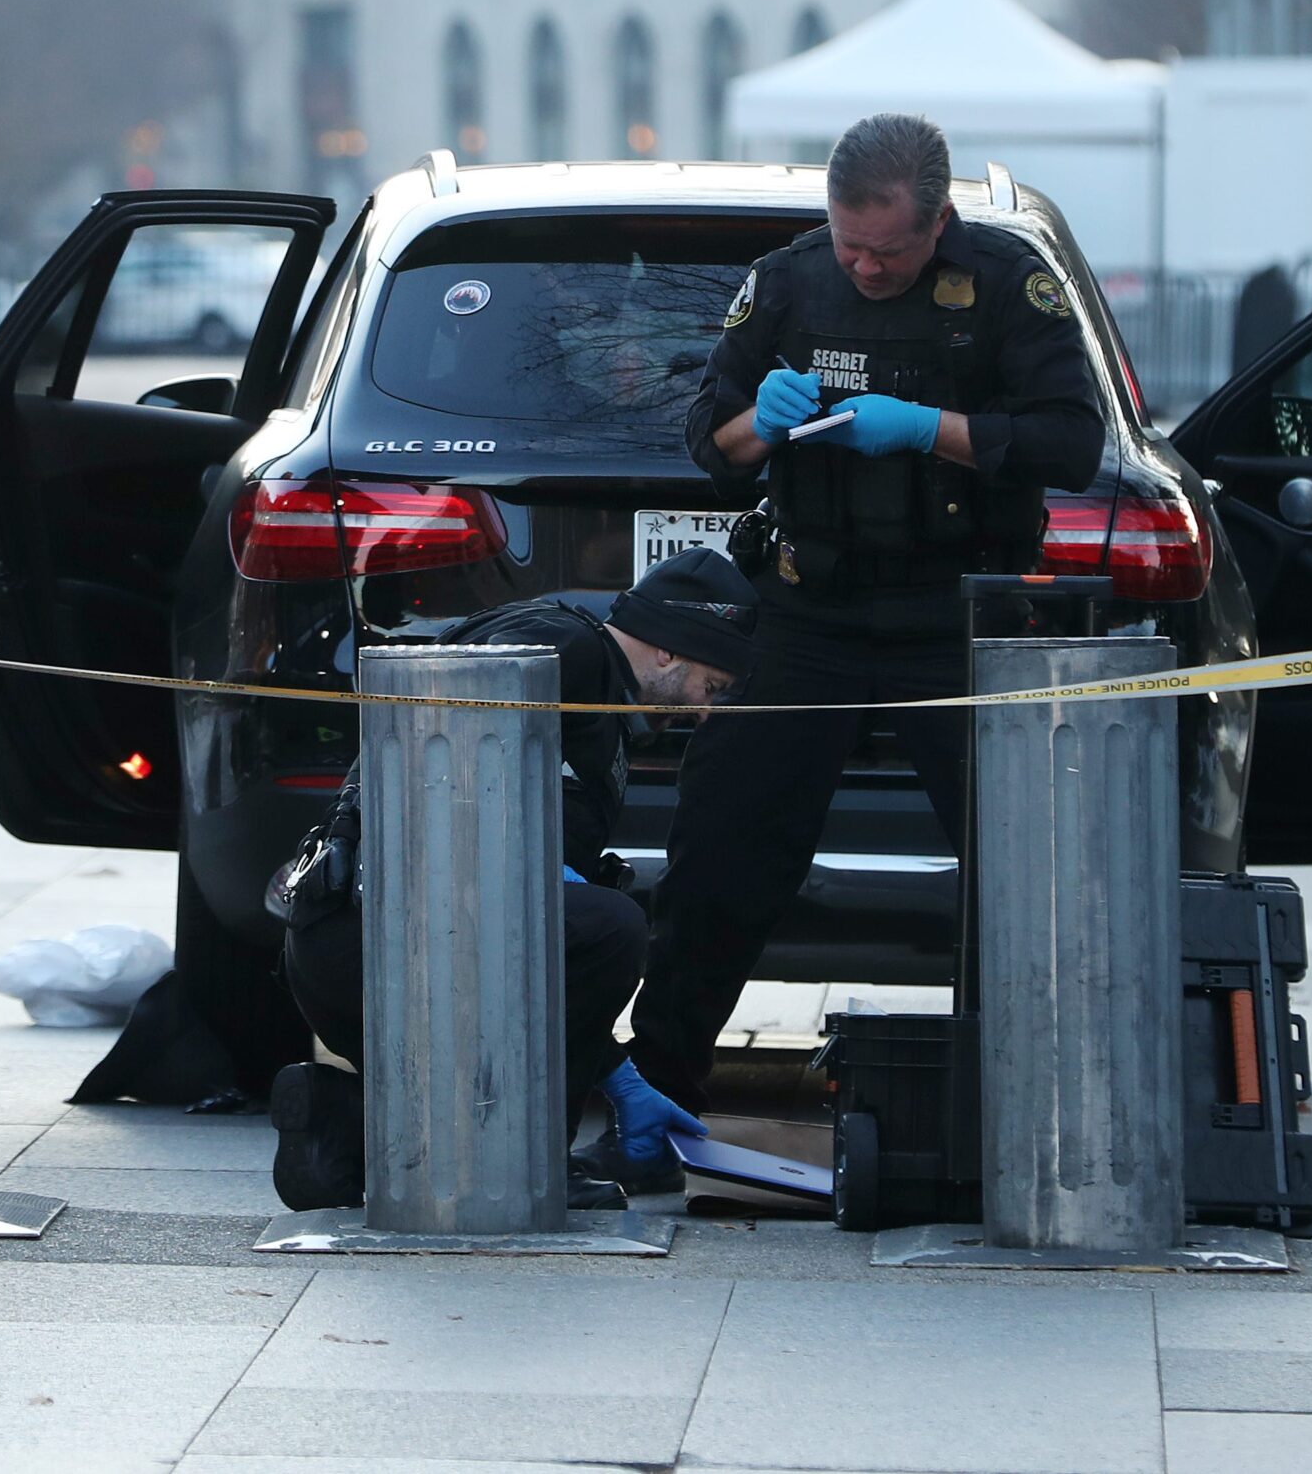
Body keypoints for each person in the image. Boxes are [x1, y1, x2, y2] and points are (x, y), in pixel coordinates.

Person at [583, 111, 1106, 1192]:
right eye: (848, 243)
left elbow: (1069, 441)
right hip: (809, 615)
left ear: (938, 223)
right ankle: (654, 1108)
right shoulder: (787, 282)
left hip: (959, 621)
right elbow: (711, 447)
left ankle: (1030, 1121)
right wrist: (760, 426)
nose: (863, 267)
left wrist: (926, 428)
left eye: (887, 250)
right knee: (720, 861)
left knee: (1019, 875)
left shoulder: (1007, 284)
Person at [268, 548, 761, 1211]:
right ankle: (532, 1165)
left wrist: (618, 1075)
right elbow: (432, 774)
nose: (707, 713)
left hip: (374, 940)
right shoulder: (565, 649)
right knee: (609, 929)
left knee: (573, 926)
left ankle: (347, 1127)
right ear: (670, 652)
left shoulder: (588, 679)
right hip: (378, 938)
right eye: (714, 687)